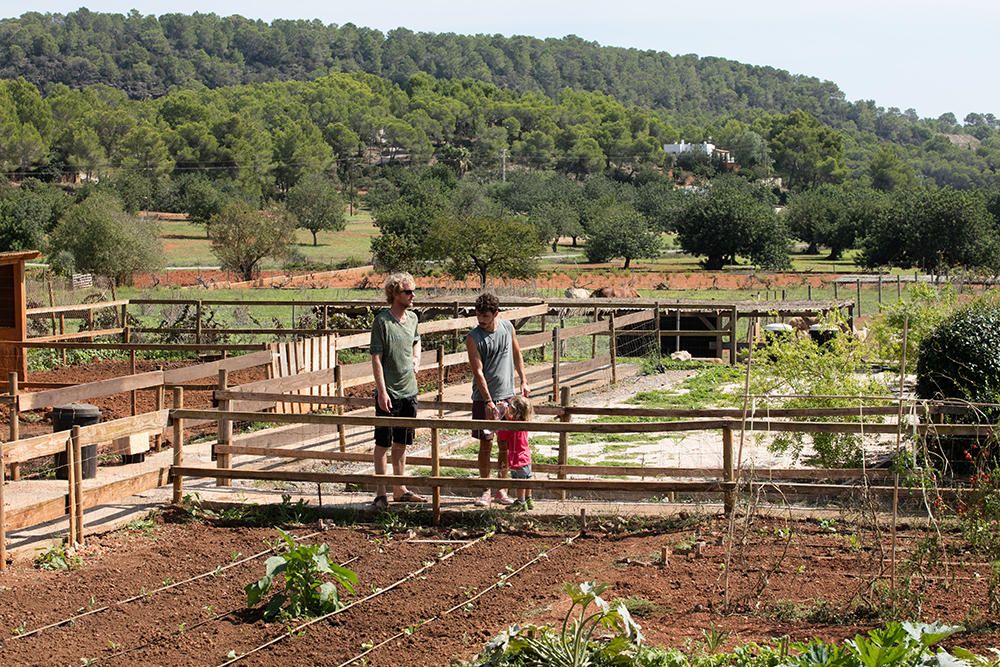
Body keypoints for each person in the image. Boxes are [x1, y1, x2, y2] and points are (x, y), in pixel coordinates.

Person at [465, 292, 529, 507]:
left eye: (485, 316)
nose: (481, 320)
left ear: (495, 314)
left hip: (508, 395)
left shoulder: (508, 328)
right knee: (486, 444)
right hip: (484, 399)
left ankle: (502, 489)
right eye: (478, 316)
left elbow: (517, 354)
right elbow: (478, 371)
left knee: (505, 444)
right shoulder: (473, 338)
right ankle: (485, 490)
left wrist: (523, 380)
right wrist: (489, 402)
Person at [369, 272, 426, 511]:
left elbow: (417, 340)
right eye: (408, 291)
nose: (413, 295)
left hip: (408, 391)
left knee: (402, 442)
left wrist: (416, 358)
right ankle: (381, 492)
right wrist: (382, 392)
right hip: (389, 391)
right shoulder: (382, 322)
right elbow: (376, 358)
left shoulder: (412, 318)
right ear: (394, 293)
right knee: (383, 443)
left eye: (413, 291)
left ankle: (399, 488)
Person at [497, 395, 534, 511]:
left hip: (517, 457)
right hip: (526, 456)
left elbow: (503, 435)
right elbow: (511, 419)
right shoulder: (524, 422)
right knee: (527, 478)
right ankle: (529, 499)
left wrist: (498, 419)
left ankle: (521, 502)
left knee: (519, 481)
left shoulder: (513, 426)